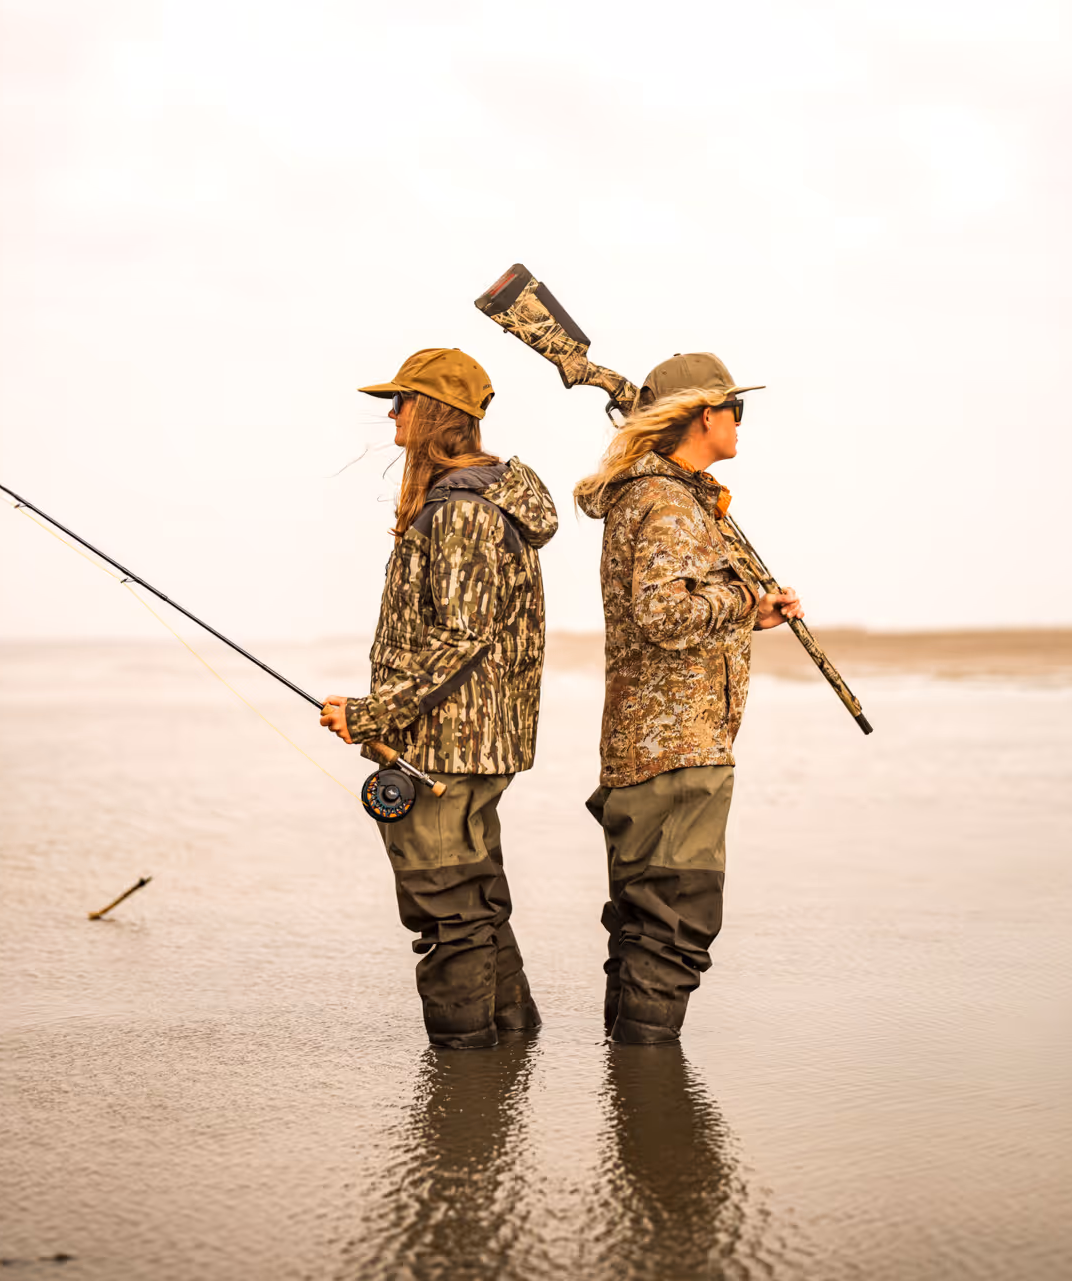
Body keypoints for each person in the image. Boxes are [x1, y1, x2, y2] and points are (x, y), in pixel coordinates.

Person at [319, 347, 560, 1050]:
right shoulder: (466, 502)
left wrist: (370, 714)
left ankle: (462, 1078)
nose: (391, 414)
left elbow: (462, 637)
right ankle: (510, 1051)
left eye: (402, 401)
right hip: (463, 742)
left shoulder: (463, 512)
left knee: (447, 916)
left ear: (434, 414)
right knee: (474, 908)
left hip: (448, 749)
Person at [571, 352, 800, 1046]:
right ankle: (652, 1110)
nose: (740, 423)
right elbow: (665, 614)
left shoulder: (659, 495)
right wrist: (742, 596)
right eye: (736, 408)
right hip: (677, 752)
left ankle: (632, 1104)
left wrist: (746, 613)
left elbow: (671, 608)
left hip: (650, 754)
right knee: (676, 923)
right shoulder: (668, 502)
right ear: (706, 415)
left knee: (644, 927)